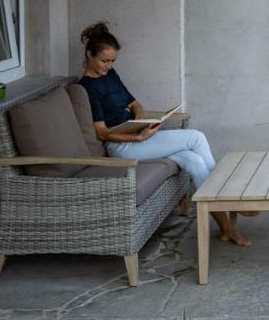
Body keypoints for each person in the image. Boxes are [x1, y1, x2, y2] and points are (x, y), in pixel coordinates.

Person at [76, 22, 250, 247]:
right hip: (121, 147)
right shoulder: (86, 88)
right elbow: (101, 133)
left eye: (112, 61)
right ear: (89, 54)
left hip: (136, 135)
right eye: (104, 61)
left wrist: (139, 121)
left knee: (194, 160)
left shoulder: (111, 75)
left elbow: (135, 103)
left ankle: (226, 228)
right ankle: (226, 196)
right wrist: (136, 137)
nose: (108, 66)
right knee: (195, 138)